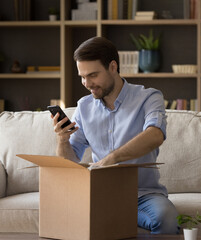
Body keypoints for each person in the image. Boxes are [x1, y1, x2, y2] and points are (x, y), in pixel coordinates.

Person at [52, 36, 179, 234]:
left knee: (167, 219)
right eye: (82, 77)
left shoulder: (149, 97)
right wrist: (63, 140)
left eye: (93, 75)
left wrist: (111, 159)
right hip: (98, 195)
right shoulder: (83, 107)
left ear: (113, 66)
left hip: (143, 195)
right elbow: (70, 162)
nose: (86, 83)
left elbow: (155, 135)